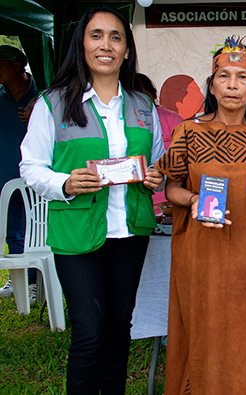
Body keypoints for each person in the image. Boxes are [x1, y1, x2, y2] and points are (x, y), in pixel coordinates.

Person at [19, 6, 165, 394]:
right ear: (81, 45)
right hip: (77, 231)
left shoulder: (142, 106)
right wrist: (65, 182)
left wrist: (156, 177)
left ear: (127, 50)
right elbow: (30, 167)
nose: (106, 45)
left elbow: (157, 162)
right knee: (89, 328)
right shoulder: (53, 103)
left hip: (130, 230)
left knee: (120, 325)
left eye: (116, 37)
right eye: (96, 35)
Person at [155, 37, 246, 394]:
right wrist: (194, 200)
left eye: (242, 77)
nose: (232, 85)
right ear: (211, 84)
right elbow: (171, 189)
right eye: (224, 76)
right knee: (202, 325)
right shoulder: (188, 131)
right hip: (200, 252)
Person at [0, 45, 39, 300]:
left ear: (16, 66)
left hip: (36, 179)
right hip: (5, 177)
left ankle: (36, 282)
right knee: (12, 229)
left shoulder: (44, 95)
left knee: (38, 229)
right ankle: (19, 281)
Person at [135, 72, 184, 213]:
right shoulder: (123, 124)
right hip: (139, 204)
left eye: (143, 97)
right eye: (134, 97)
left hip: (169, 203)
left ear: (154, 95)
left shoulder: (173, 120)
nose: (139, 103)